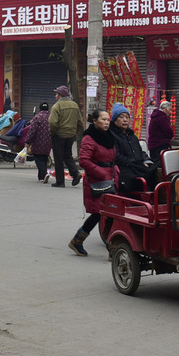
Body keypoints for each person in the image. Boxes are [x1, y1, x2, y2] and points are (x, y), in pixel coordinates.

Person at [68, 109, 120, 256]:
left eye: (108, 120)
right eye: (103, 119)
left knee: (110, 213)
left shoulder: (109, 137)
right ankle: (78, 240)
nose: (106, 122)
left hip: (111, 179)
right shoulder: (89, 138)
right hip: (96, 182)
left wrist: (114, 170)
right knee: (99, 214)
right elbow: (84, 160)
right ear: (95, 121)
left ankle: (111, 248)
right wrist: (102, 172)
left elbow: (112, 158)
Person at [110, 104, 157, 193]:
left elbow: (140, 152)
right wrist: (134, 163)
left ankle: (156, 198)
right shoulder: (112, 135)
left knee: (156, 169)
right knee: (134, 177)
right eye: (121, 117)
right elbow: (117, 156)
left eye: (127, 117)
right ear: (115, 119)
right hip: (124, 167)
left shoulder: (132, 136)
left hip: (137, 165)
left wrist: (146, 160)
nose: (125, 120)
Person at [48, 85, 82, 188]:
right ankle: (76, 173)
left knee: (58, 158)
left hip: (59, 135)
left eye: (56, 94)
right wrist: (75, 132)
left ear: (59, 95)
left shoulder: (57, 106)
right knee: (67, 155)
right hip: (71, 135)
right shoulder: (75, 105)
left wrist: (52, 133)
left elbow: (52, 122)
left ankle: (60, 181)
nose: (55, 96)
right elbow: (80, 122)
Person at [23, 103, 53, 183]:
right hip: (48, 143)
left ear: (39, 109)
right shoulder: (51, 118)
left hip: (37, 142)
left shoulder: (37, 118)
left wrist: (28, 141)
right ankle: (41, 177)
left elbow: (32, 131)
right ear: (48, 109)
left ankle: (44, 174)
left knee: (38, 160)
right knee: (44, 159)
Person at [147, 100, 175, 165]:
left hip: (154, 145)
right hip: (159, 145)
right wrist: (171, 136)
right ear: (164, 109)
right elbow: (168, 131)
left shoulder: (156, 116)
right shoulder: (161, 117)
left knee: (155, 163)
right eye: (169, 109)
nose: (170, 112)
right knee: (160, 165)